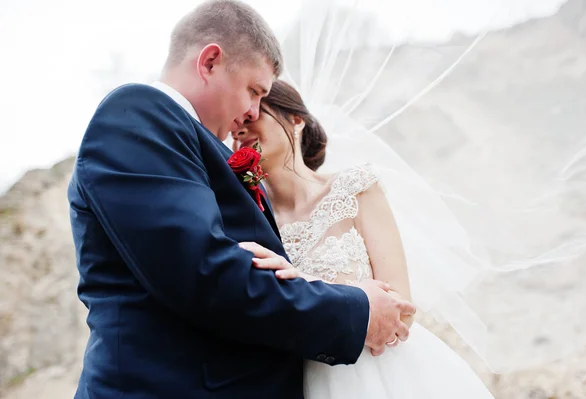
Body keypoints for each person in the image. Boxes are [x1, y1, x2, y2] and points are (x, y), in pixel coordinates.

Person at [67, 1, 415, 398]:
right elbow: (205, 272)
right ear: (211, 61)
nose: (251, 112)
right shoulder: (138, 117)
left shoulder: (188, 143)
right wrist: (356, 310)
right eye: (253, 90)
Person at [232, 79, 495, 398]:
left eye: (253, 117)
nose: (240, 130)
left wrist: (300, 279)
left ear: (296, 120)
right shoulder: (249, 217)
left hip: (384, 378)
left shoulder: (356, 189)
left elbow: (403, 312)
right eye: (235, 124)